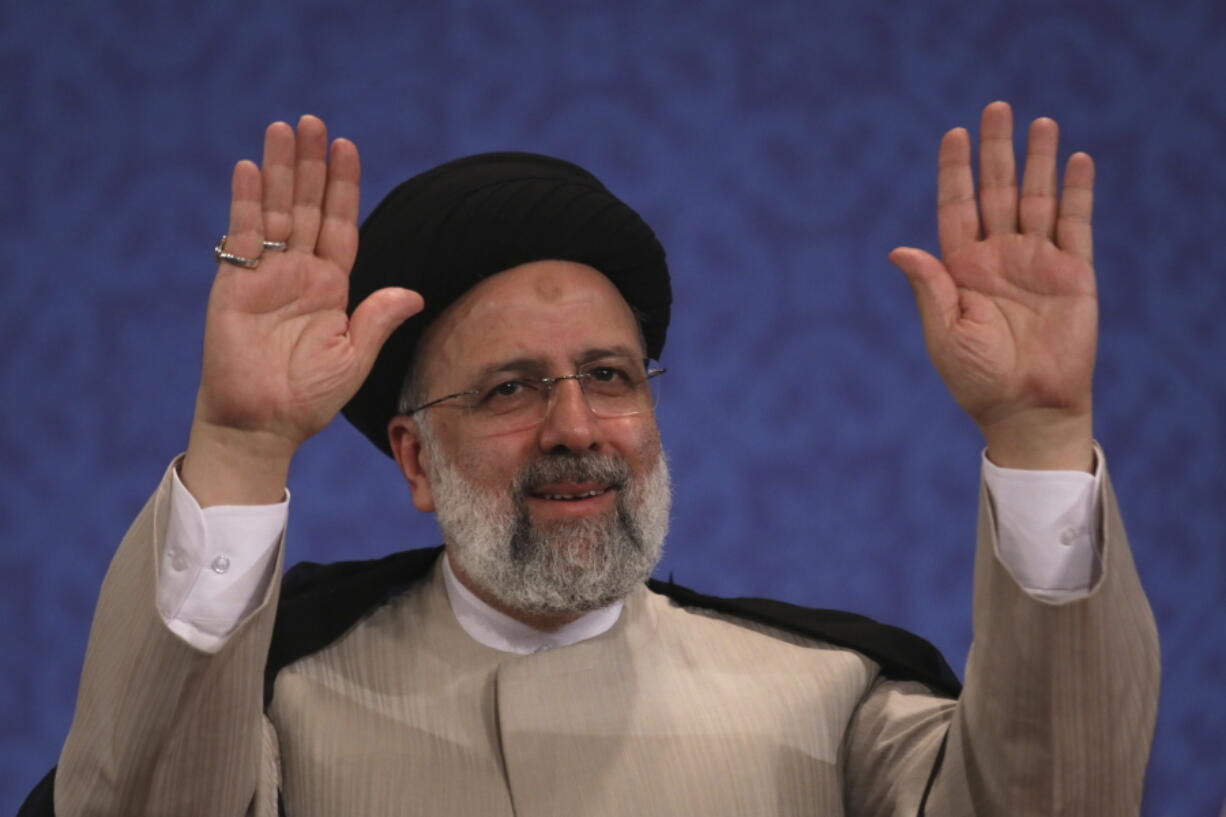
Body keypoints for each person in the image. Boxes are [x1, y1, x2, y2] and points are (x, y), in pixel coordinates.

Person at [23, 101, 1158, 816]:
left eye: (609, 377)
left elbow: (1057, 795)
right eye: (511, 388)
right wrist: (238, 444)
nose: (576, 426)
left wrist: (1040, 433)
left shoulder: (834, 698)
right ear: (413, 459)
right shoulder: (281, 709)